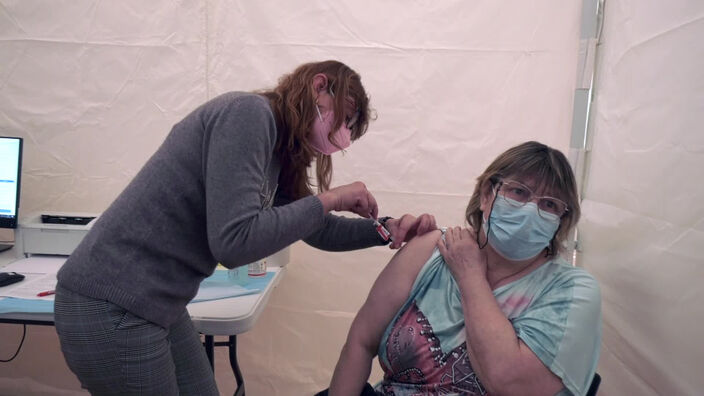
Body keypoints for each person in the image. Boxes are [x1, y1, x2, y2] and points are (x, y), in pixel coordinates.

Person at [54, 60, 437, 395]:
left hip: (158, 306)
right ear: (319, 85)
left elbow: (315, 229)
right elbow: (234, 243)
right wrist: (330, 198)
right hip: (111, 303)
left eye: (351, 129)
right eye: (344, 118)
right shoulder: (249, 114)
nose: (343, 135)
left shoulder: (277, 148)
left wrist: (385, 229)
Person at [326, 141, 601, 396]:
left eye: (549, 204)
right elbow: (360, 343)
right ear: (486, 194)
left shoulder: (572, 291)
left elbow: (509, 381)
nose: (530, 211)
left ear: (562, 220)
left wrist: (470, 275)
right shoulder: (428, 250)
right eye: (519, 191)